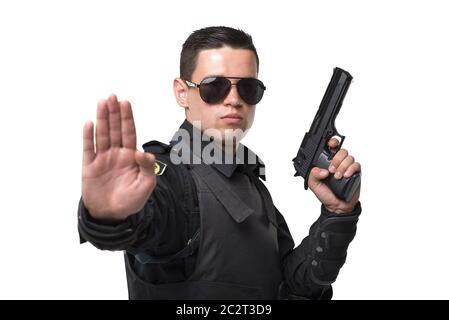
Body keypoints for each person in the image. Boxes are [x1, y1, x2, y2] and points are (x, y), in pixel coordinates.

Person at [78, 26, 362, 300]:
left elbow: (292, 287)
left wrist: (336, 213)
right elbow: (144, 219)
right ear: (181, 93)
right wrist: (109, 216)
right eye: (215, 87)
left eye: (248, 89)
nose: (234, 100)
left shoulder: (252, 185)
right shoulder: (170, 178)